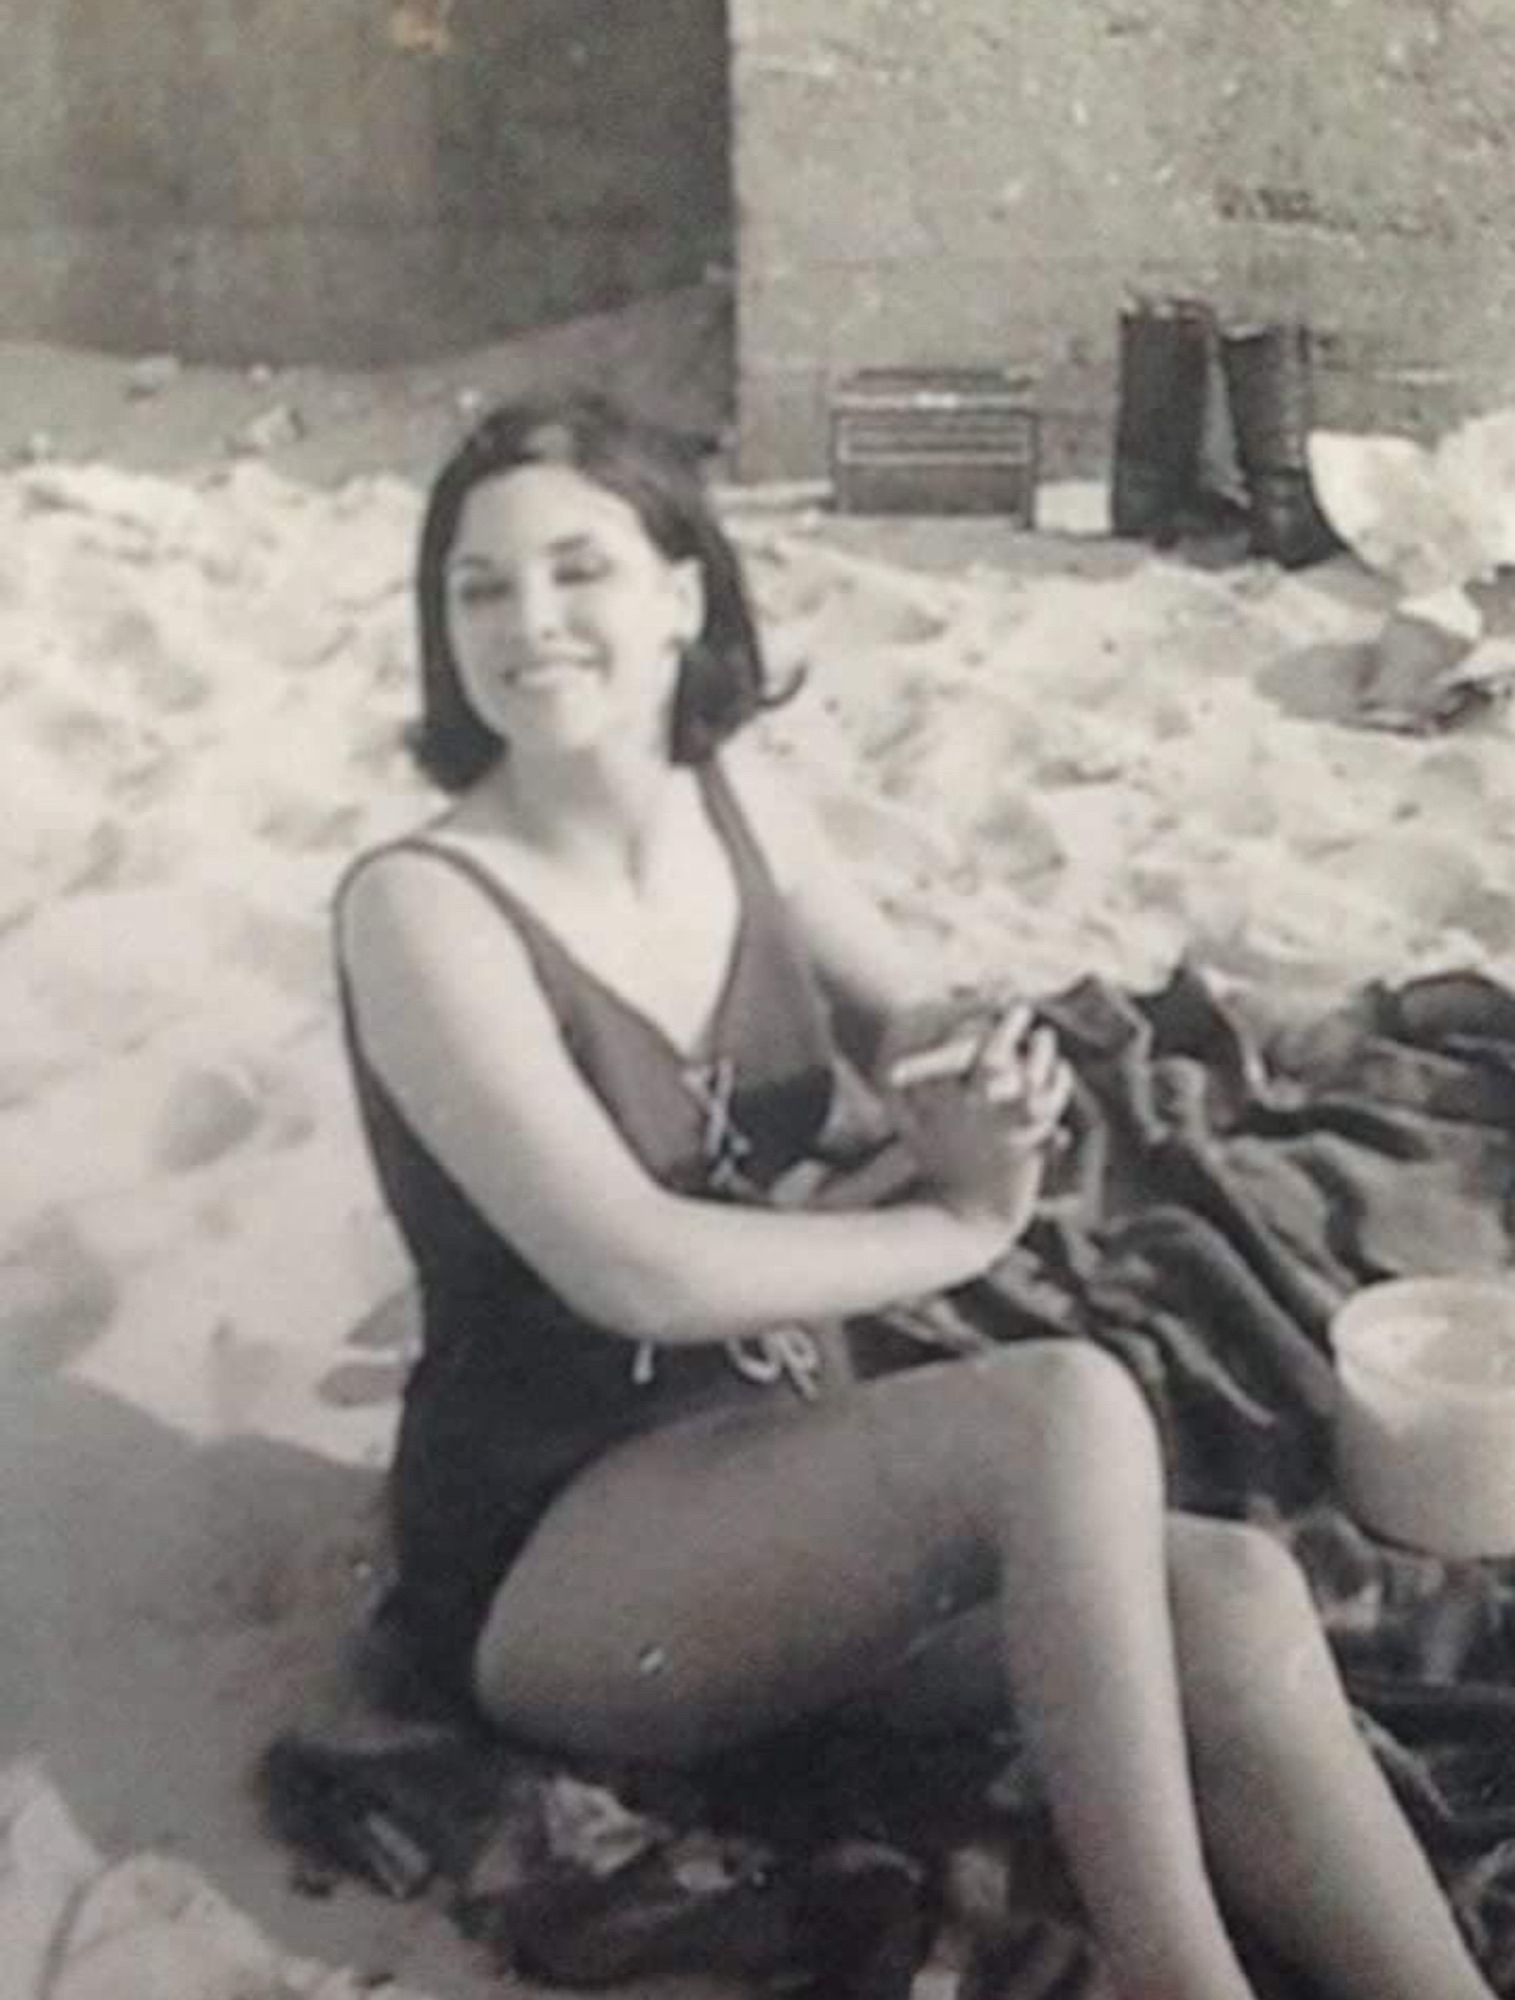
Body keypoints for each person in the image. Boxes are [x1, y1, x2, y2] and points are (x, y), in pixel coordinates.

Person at [334, 390, 1495, 2000]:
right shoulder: (425, 907)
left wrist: (983, 1075)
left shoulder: (729, 797)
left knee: (1228, 1595)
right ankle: (1184, 1983)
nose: (529, 620)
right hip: (563, 1549)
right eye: (479, 586)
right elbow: (633, 1272)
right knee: (1059, 1409)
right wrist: (953, 1225)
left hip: (778, 1455)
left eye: (577, 570)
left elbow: (913, 1018)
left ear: (682, 592)